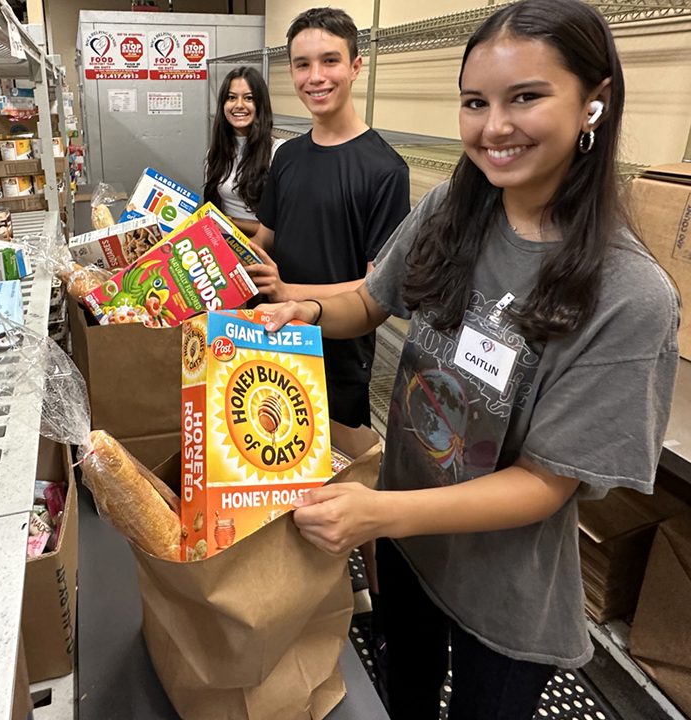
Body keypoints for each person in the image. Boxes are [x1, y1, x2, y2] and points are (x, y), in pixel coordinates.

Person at [263, 1, 679, 718]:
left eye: (526, 97)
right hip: (405, 547)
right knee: (405, 697)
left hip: (503, 595)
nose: (493, 127)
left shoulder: (629, 295)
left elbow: (544, 485)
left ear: (594, 103)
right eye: (475, 102)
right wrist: (306, 311)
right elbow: (370, 300)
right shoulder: (454, 208)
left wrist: (377, 512)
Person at [246, 7, 410, 429]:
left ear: (355, 66)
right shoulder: (288, 156)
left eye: (330, 61)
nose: (315, 77)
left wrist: (290, 293)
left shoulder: (385, 170)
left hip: (336, 356)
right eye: (303, 64)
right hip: (267, 338)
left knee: (328, 477)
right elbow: (265, 239)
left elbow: (378, 291)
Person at [203, 66, 284, 238]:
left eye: (248, 98)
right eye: (231, 97)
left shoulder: (278, 153)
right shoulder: (214, 154)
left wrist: (230, 223)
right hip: (224, 245)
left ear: (260, 105)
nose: (239, 105)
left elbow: (284, 224)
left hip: (265, 251)